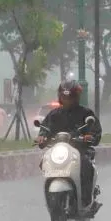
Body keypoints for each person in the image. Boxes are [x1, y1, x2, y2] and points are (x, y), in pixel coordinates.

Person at [35, 80, 103, 208]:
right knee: (44, 161)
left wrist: (90, 136)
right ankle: (50, 196)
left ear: (76, 97)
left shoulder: (86, 114)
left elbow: (95, 131)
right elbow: (45, 129)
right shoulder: (53, 115)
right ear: (60, 97)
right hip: (58, 151)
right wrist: (41, 137)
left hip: (80, 150)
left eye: (70, 97)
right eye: (64, 97)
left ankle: (86, 199)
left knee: (86, 165)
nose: (67, 100)